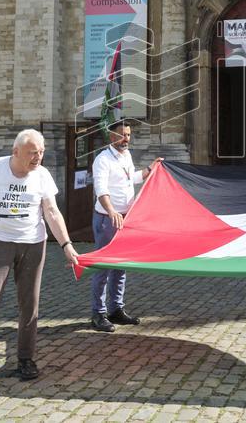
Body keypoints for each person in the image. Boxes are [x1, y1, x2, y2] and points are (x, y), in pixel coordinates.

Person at [0, 129, 80, 390]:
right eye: (32, 153)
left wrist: (67, 245)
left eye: (41, 152)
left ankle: (26, 359)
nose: (38, 157)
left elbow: (52, 211)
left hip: (33, 245)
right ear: (16, 152)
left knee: (30, 306)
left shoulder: (43, 176)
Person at [90, 120, 162, 332]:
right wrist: (112, 211)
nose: (127, 139)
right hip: (107, 220)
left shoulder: (126, 156)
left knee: (121, 266)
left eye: (129, 135)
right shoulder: (102, 160)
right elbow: (101, 189)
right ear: (112, 136)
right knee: (103, 266)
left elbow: (131, 180)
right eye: (123, 135)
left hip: (126, 218)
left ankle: (116, 310)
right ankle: (98, 313)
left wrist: (150, 169)